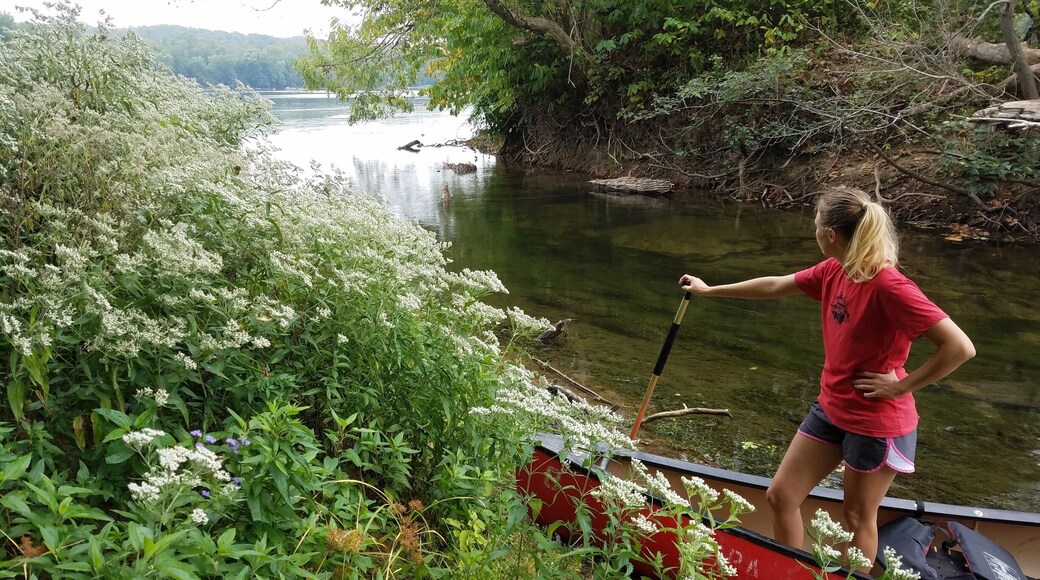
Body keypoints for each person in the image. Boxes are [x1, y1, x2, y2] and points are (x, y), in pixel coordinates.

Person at [678, 186, 975, 569]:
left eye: (816, 224)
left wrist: (901, 385)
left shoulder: (890, 286)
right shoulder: (837, 269)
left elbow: (959, 347)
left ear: (830, 234)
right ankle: (792, 574)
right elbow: (776, 285)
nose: (814, 230)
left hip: (876, 422)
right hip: (832, 408)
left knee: (855, 518)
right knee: (781, 496)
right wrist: (710, 290)